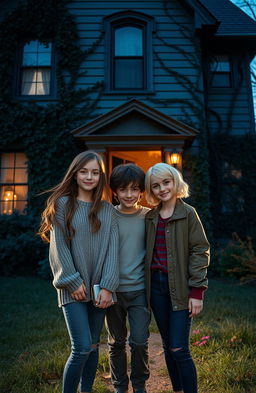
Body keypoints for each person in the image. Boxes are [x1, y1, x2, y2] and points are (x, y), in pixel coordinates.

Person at [38, 150, 119, 393]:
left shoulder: (108, 210)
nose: (89, 176)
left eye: (94, 172)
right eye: (83, 171)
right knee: (81, 347)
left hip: (99, 290)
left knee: (94, 347)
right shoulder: (63, 205)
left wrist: (108, 286)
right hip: (73, 289)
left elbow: (113, 251)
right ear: (74, 174)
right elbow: (58, 247)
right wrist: (72, 281)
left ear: (100, 177)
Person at [144, 163, 210, 393]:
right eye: (156, 186)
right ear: (151, 190)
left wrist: (197, 292)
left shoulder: (188, 213)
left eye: (166, 182)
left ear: (175, 182)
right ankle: (178, 389)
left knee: (179, 348)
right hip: (156, 288)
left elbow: (200, 250)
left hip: (182, 287)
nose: (162, 188)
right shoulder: (150, 217)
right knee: (167, 343)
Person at [105, 163, 151, 393]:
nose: (129, 194)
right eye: (123, 189)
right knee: (116, 342)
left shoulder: (148, 217)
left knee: (140, 341)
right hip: (112, 291)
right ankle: (119, 386)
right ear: (114, 191)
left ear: (142, 190)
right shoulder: (107, 216)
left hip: (140, 290)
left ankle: (140, 384)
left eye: (134, 189)